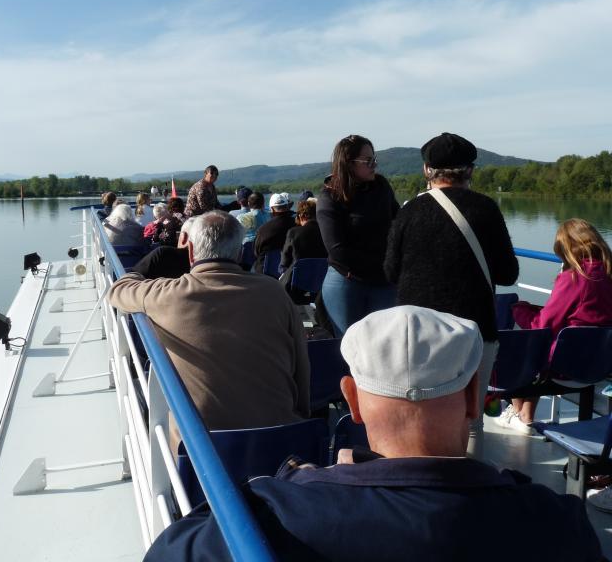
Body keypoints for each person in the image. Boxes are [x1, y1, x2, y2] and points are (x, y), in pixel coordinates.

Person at [142, 306, 602, 562]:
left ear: (353, 402)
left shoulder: (276, 515)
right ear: (472, 398)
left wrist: (304, 477)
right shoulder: (555, 519)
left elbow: (165, 555)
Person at [108, 210, 310, 444]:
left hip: (205, 449)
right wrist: (301, 416)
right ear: (238, 251)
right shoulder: (275, 292)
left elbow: (118, 290)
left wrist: (137, 274)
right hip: (282, 439)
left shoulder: (168, 294)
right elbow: (301, 367)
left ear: (191, 251)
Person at [384, 132, 518, 458]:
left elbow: (390, 271)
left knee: (420, 416)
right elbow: (507, 274)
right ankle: (470, 495)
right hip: (475, 331)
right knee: (471, 421)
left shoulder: (409, 211)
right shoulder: (486, 209)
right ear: (470, 170)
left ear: (427, 170)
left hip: (419, 335)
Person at [497, 218, 612, 433]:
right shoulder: (607, 274)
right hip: (598, 365)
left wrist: (519, 309)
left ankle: (521, 415)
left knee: (521, 343)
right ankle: (524, 414)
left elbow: (543, 324)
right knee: (548, 343)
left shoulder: (575, 278)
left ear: (567, 248)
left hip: (565, 368)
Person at [317, 135, 399, 337]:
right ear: (348, 163)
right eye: (368, 161)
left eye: (375, 159)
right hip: (346, 282)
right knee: (348, 348)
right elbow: (337, 251)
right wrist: (384, 265)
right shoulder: (329, 197)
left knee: (385, 344)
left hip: (384, 282)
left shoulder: (381, 186)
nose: (374, 165)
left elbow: (399, 221)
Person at [279, 199, 327, 303]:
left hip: (296, 285)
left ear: (301, 216)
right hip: (322, 281)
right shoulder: (326, 231)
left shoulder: (293, 232)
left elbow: (284, 262)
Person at [254, 193, 296, 274]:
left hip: (266, 276)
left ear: (272, 210)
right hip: (290, 275)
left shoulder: (263, 230)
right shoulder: (297, 226)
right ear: (287, 207)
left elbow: (256, 252)